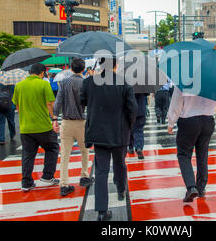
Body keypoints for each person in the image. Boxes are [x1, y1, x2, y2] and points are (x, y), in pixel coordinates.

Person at [81, 57, 137, 221]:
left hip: (98, 133)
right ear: (115, 66)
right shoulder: (124, 83)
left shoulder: (89, 82)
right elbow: (132, 109)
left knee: (101, 171)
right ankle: (121, 189)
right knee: (120, 164)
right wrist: (128, 125)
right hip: (119, 133)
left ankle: (101, 211)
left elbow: (82, 101)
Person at [12, 63, 60, 192]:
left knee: (28, 154)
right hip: (43, 126)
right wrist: (54, 118)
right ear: (42, 73)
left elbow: (17, 106)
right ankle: (47, 176)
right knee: (52, 148)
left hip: (25, 127)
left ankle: (26, 182)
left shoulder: (19, 85)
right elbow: (50, 103)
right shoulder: (44, 84)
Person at [167, 88, 216, 203]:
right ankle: (201, 188)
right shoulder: (212, 79)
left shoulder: (183, 79)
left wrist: (171, 123)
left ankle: (191, 187)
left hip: (188, 120)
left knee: (183, 154)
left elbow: (176, 103)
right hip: (208, 120)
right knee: (202, 154)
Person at [53, 58, 95, 197]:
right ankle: (84, 176)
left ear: (71, 68)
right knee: (85, 151)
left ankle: (64, 184)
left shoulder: (64, 82)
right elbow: (91, 103)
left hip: (66, 122)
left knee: (65, 154)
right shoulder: (85, 83)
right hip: (82, 122)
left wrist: (54, 119)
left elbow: (58, 102)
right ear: (83, 69)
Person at [128, 93, 149, 159]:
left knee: (130, 129)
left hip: (130, 110)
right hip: (141, 109)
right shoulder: (142, 84)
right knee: (139, 129)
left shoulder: (127, 84)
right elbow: (147, 93)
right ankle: (139, 147)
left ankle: (131, 147)